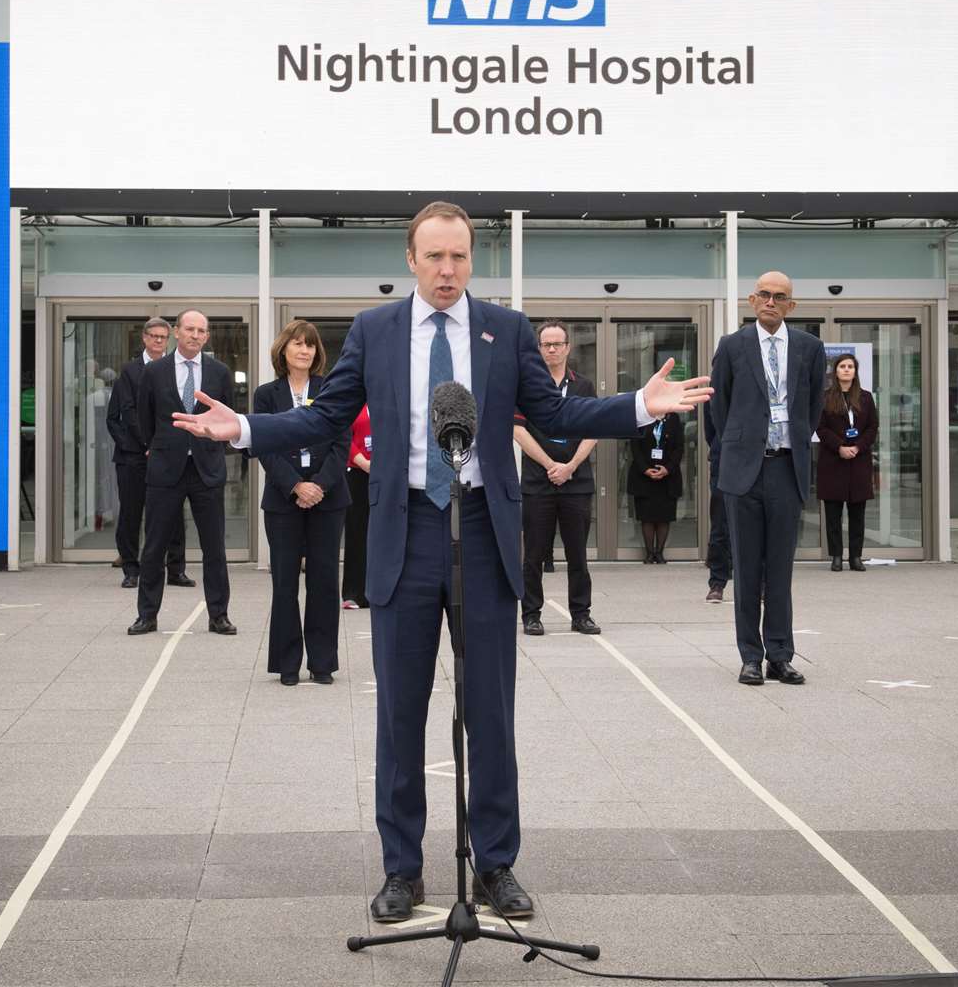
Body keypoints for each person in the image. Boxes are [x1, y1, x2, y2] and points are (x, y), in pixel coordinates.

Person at [169, 201, 710, 924]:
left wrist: (638, 407)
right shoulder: (375, 331)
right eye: (435, 257)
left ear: (471, 259)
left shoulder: (506, 331)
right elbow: (327, 416)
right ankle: (403, 870)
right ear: (411, 261)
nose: (448, 269)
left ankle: (495, 865)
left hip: (485, 533)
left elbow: (553, 415)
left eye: (459, 256)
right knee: (400, 715)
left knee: (490, 711)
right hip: (406, 533)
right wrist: (244, 428)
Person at [710, 271, 826, 688]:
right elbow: (718, 409)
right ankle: (750, 657)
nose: (771, 302)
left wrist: (788, 440)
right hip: (743, 470)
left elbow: (812, 405)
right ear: (751, 300)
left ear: (791, 305)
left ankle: (780, 654)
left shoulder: (810, 348)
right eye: (764, 295)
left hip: (785, 467)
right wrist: (735, 449)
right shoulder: (732, 346)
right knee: (745, 567)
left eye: (780, 297)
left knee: (780, 569)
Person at [254, 320, 350, 684]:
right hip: (282, 499)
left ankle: (322, 662)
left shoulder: (331, 390)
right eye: (297, 344)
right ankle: (288, 663)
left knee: (325, 581)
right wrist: (296, 485)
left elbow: (342, 444)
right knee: (284, 583)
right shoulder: (267, 394)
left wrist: (318, 486)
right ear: (284, 349)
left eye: (310, 345)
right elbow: (262, 444)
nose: (305, 350)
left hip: (328, 498)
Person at [130, 309, 233, 636]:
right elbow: (145, 418)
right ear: (176, 331)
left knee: (214, 547)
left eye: (202, 330)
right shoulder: (156, 371)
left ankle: (219, 615)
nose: (196, 335)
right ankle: (147, 614)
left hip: (206, 469)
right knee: (155, 545)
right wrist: (160, 445)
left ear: (207, 336)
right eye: (190, 329)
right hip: (165, 468)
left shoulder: (219, 372)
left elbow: (227, 417)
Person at [515, 319, 599, 635]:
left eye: (557, 344)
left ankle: (581, 614)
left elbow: (594, 428)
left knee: (578, 554)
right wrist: (551, 464)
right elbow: (518, 430)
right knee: (534, 553)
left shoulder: (583, 386)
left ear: (567, 348)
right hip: (538, 482)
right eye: (546, 344)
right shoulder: (527, 386)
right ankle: (531, 615)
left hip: (576, 483)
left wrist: (570, 466)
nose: (552, 349)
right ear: (538, 349)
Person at [107, 317, 189, 591]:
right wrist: (139, 446)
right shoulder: (130, 371)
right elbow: (121, 415)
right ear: (144, 338)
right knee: (131, 513)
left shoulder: (176, 369)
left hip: (167, 455)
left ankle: (176, 570)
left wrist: (160, 446)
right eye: (153, 336)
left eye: (163, 337)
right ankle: (131, 569)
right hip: (134, 457)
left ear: (169, 339)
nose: (157, 341)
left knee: (174, 514)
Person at [816, 353, 878, 572]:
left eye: (850, 366)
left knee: (857, 514)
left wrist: (858, 446)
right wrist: (840, 447)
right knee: (833, 514)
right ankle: (836, 556)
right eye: (842, 366)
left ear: (855, 371)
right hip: (833, 461)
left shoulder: (866, 397)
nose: (846, 370)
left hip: (858, 462)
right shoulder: (825, 397)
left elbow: (872, 428)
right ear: (836, 371)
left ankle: (856, 557)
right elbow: (820, 428)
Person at [627, 414, 684, 565]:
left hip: (668, 476)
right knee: (647, 516)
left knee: (664, 516)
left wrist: (668, 468)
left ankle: (659, 553)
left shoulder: (674, 419)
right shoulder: (641, 417)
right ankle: (649, 553)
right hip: (643, 476)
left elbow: (679, 447)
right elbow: (634, 446)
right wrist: (645, 469)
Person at [342, 404, 372, 609]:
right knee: (356, 531)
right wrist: (365, 463)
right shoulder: (354, 402)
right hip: (357, 472)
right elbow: (345, 436)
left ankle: (377, 591)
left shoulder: (388, 397)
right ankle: (353, 592)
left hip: (387, 471)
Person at [702, 406, 730, 602]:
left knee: (755, 526)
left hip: (754, 460)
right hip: (723, 461)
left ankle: (761, 584)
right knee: (720, 526)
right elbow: (710, 431)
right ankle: (717, 583)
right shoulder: (715, 390)